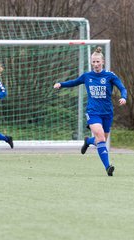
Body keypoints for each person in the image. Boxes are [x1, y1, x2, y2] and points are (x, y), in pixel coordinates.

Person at [53, 47, 127, 176]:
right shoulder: (87, 76)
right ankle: (108, 167)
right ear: (91, 62)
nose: (96, 64)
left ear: (103, 61)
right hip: (93, 112)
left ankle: (88, 141)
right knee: (101, 137)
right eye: (93, 62)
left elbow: (122, 88)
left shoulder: (110, 76)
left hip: (107, 113)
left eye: (98, 62)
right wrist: (61, 84)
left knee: (100, 140)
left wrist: (123, 97)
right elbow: (74, 82)